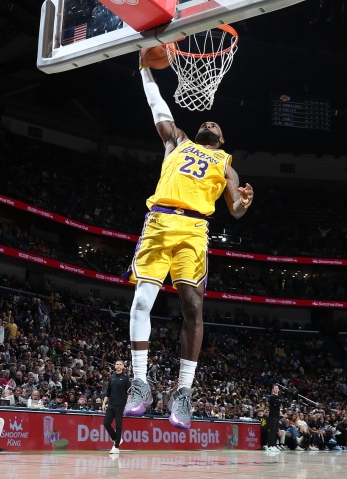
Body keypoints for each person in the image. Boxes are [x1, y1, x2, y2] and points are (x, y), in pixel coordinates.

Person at [123, 58, 254, 431]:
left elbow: (235, 209)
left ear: (221, 140)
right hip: (159, 221)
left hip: (194, 229)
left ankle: (183, 391)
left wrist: (244, 203)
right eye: (207, 122)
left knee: (193, 308)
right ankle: (140, 383)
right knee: (141, 302)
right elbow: (156, 103)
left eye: (216, 125)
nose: (210, 123)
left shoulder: (226, 165)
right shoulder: (176, 140)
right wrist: (146, 70)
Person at [103, 359, 130, 454]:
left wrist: (127, 404)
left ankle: (116, 446)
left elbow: (129, 393)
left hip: (120, 405)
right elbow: (108, 392)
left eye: (120, 364)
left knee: (118, 425)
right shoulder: (111, 378)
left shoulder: (126, 378)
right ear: (114, 366)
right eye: (117, 364)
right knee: (106, 423)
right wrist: (104, 403)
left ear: (123, 366)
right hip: (111, 404)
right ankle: (116, 438)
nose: (118, 366)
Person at [266, 385, 283, 452]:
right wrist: (278, 404)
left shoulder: (278, 397)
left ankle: (273, 445)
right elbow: (277, 404)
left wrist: (278, 404)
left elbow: (279, 404)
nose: (276, 389)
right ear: (273, 389)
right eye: (275, 388)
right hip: (272, 415)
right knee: (272, 431)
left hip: (277, 415)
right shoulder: (272, 397)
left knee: (275, 431)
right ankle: (270, 445)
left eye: (277, 388)